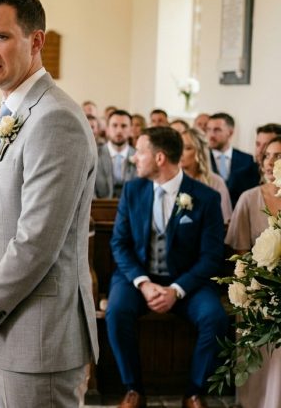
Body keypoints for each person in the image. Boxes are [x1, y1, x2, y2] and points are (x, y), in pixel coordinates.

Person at [0, 0, 97, 407]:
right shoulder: (13, 111)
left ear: (36, 41)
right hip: (12, 326)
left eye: (1, 37)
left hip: (41, 336)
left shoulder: (54, 119)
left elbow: (36, 241)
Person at [107, 127, 227, 408]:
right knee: (116, 311)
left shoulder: (206, 198)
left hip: (187, 282)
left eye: (140, 152)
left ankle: (194, 392)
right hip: (137, 279)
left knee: (215, 318)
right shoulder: (132, 191)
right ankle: (133, 389)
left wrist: (176, 289)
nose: (134, 158)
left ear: (159, 158)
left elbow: (211, 256)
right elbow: (119, 244)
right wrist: (143, 283)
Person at [226, 136, 281, 408]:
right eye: (267, 155)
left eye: (278, 156)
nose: (271, 162)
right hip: (257, 291)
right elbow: (239, 254)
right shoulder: (249, 198)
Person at [206, 112, 259, 208]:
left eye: (217, 130)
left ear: (230, 132)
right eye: (209, 129)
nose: (211, 135)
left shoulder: (247, 160)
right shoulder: (202, 159)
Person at [179, 128, 232, 223]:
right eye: (179, 147)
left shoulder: (216, 182)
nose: (180, 153)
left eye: (187, 148)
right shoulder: (174, 180)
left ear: (199, 151)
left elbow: (225, 220)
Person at [95, 110, 136, 198]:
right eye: (114, 125)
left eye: (124, 126)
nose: (119, 130)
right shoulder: (95, 155)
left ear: (131, 129)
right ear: (107, 129)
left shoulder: (139, 156)